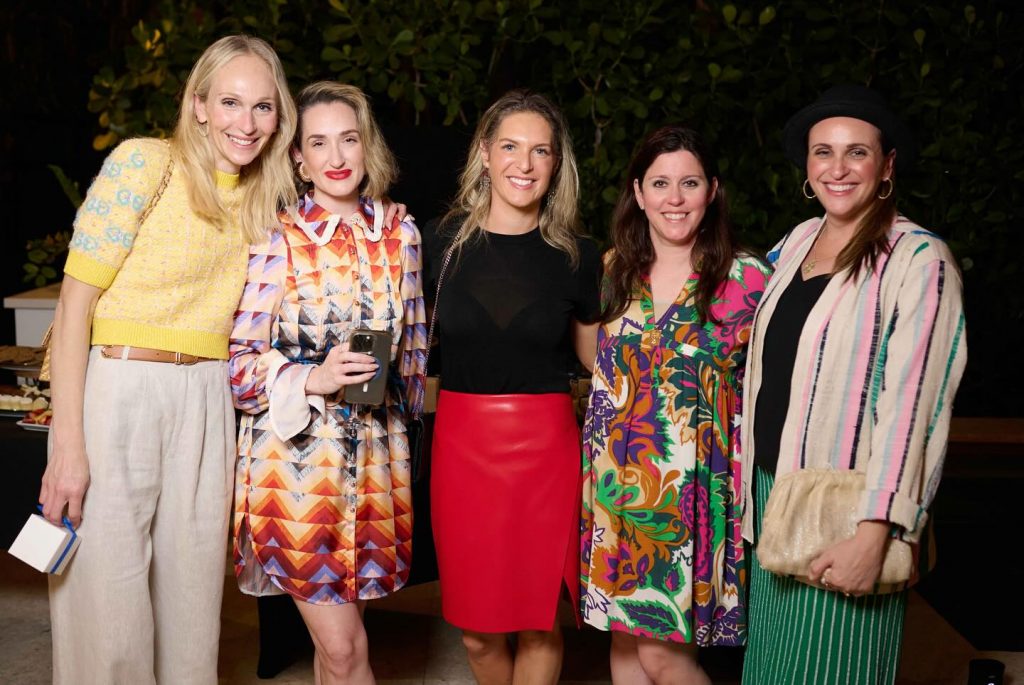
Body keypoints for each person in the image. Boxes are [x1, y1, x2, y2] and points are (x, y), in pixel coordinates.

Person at [38, 35, 298, 684]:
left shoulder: (267, 199)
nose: (247, 122)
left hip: (210, 399)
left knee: (193, 605)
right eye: (232, 102)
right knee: (108, 602)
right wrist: (67, 446)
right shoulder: (142, 164)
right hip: (121, 384)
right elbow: (73, 307)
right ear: (200, 104)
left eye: (263, 107)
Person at [740, 85, 967, 684]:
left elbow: (914, 408)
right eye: (823, 153)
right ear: (807, 167)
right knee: (770, 674)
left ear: (887, 164)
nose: (837, 168)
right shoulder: (795, 242)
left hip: (848, 512)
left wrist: (877, 534)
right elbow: (730, 314)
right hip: (771, 495)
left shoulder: (918, 259)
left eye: (856, 152)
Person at [228, 81, 425, 685]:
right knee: (345, 650)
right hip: (296, 474)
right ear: (297, 157)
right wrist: (313, 375)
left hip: (377, 470)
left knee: (334, 650)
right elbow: (239, 366)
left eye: (349, 139)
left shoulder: (402, 235)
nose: (336, 157)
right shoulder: (275, 239)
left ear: (368, 147)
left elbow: (414, 356)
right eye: (319, 143)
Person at [579, 125, 769, 684]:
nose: (675, 198)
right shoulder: (615, 269)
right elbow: (600, 372)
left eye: (689, 183)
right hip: (616, 491)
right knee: (622, 647)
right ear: (639, 193)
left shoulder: (748, 279)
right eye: (660, 183)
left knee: (665, 656)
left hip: (690, 496)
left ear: (712, 191)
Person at [425, 89, 602, 685]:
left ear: (557, 165)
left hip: (546, 452)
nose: (524, 165)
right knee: (476, 632)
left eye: (540, 151)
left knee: (537, 621)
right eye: (509, 147)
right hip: (460, 449)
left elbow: (599, 363)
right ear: (484, 153)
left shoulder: (578, 256)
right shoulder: (440, 244)